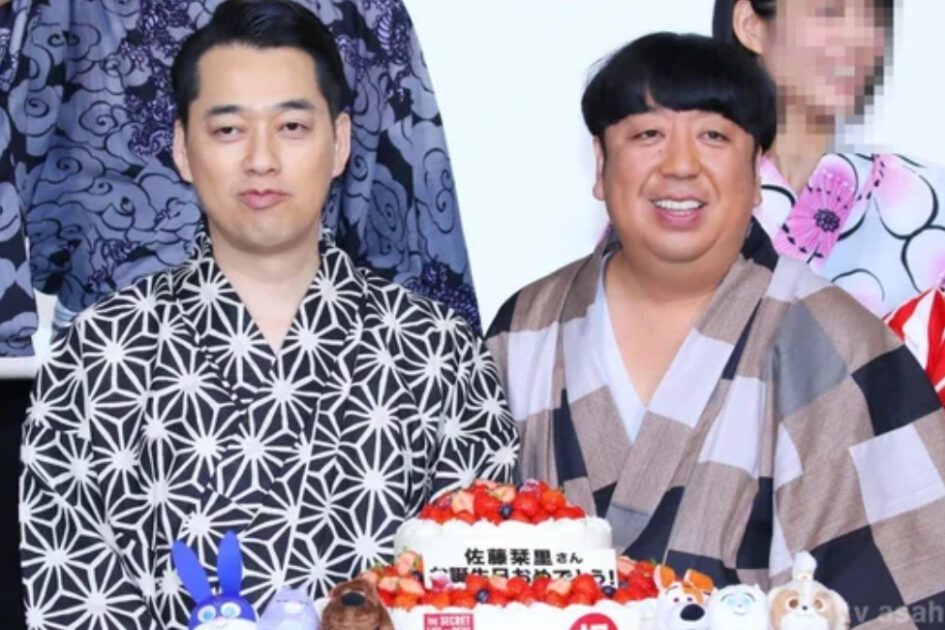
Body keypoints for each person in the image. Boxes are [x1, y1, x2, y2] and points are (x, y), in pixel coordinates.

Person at [18, 2, 518, 628]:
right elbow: (69, 598)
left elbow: (480, 593)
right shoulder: (96, 354)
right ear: (182, 149)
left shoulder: (441, 350)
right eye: (229, 129)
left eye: (292, 126)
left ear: (340, 143)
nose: (261, 160)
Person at [486, 33, 945, 626]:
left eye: (714, 136)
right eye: (647, 135)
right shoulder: (525, 328)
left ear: (756, 172)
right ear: (600, 164)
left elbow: (911, 591)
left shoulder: (840, 342)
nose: (680, 166)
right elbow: (453, 562)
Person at [713, 0, 945, 317]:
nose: (860, 37)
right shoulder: (679, 193)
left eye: (873, 16)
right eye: (829, 11)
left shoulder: (929, 199)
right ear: (750, 26)